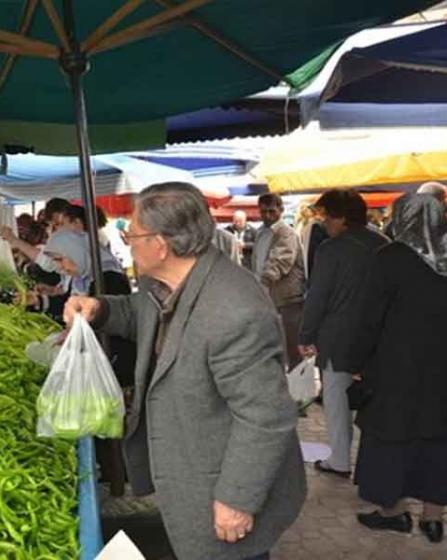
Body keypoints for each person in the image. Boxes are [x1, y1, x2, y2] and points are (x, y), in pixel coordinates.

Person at [64, 182, 306, 560]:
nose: (128, 242)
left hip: (228, 483)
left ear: (160, 245)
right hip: (194, 466)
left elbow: (266, 417)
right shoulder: (159, 284)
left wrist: (237, 499)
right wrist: (100, 309)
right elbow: (138, 315)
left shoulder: (234, 311)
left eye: (133, 235)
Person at [349, 193, 447, 543]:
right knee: (442, 442)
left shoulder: (389, 259)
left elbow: (368, 319)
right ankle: (433, 519)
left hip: (397, 374)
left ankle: (393, 513)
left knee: (392, 442)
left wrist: (355, 361)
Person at [297, 190, 388, 479]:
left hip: (338, 339)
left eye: (327, 216)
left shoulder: (331, 250)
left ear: (343, 218)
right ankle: (375, 466)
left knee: (336, 400)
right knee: (377, 404)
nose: (324, 223)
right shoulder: (384, 245)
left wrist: (305, 335)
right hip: (379, 339)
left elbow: (318, 297)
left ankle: (339, 460)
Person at [252, 194, 306, 369]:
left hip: (287, 299)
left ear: (281, 210)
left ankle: (300, 392)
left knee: (293, 348)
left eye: (271, 211)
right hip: (268, 297)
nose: (267, 215)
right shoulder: (261, 233)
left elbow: (280, 261)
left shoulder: (286, 233)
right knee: (274, 347)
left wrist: (263, 282)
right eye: (263, 212)